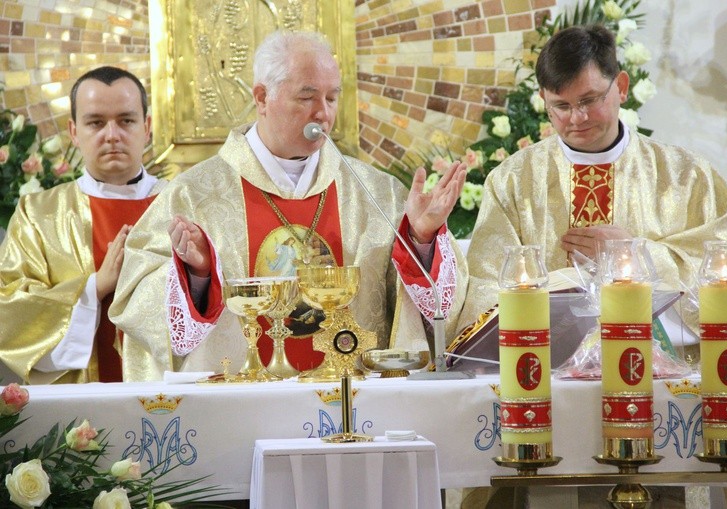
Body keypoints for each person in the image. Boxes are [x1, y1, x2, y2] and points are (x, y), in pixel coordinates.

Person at [110, 30, 467, 380]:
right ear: (262, 98)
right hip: (239, 405)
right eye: (307, 97)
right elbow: (139, 305)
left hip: (353, 398)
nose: (323, 114)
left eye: (331, 98)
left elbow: (430, 308)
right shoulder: (191, 196)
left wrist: (420, 238)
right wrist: (199, 276)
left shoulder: (376, 191)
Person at [458, 24, 727, 332]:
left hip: (661, 367)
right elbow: (485, 289)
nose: (577, 117)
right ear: (544, 100)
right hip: (548, 368)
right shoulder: (513, 182)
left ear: (621, 87)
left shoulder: (687, 175)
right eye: (561, 105)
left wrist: (635, 254)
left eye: (589, 100)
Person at [0, 66, 165, 384]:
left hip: (169, 401)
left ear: (146, 127)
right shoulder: (39, 213)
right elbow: (8, 305)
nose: (112, 134)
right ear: (74, 132)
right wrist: (95, 288)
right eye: (96, 123)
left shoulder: (183, 202)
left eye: (126, 120)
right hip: (78, 411)